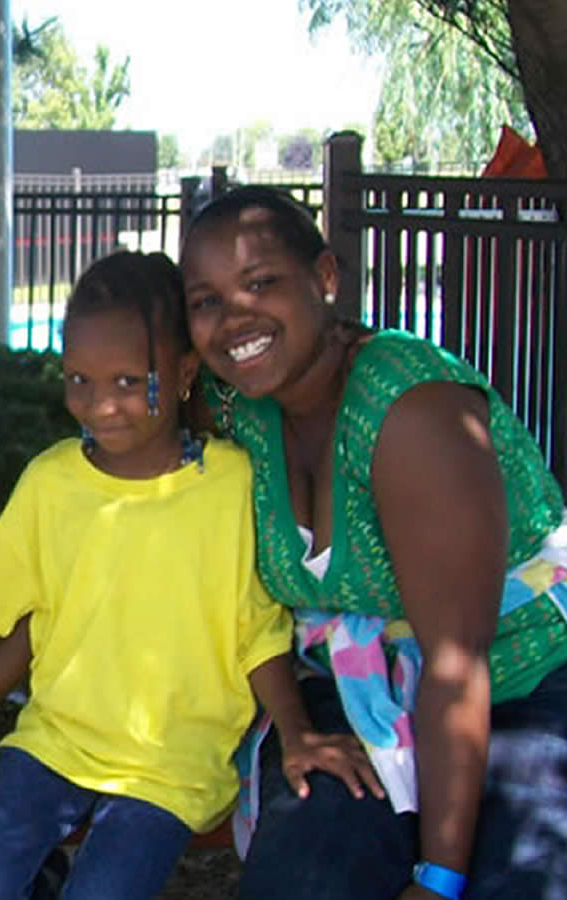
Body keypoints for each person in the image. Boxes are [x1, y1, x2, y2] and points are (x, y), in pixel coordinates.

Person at [0, 251, 373, 900]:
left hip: (172, 764)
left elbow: (256, 633)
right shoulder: (51, 481)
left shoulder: (230, 484)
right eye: (79, 380)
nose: (100, 405)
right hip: (57, 740)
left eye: (127, 381)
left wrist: (296, 734)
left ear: (184, 373)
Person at [181, 186, 567, 900]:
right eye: (206, 301)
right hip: (361, 690)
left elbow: (457, 661)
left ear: (325, 277)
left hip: (522, 679)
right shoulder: (234, 402)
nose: (234, 319)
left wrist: (439, 878)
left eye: (260, 283)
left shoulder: (413, 411)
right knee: (303, 882)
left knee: (516, 882)